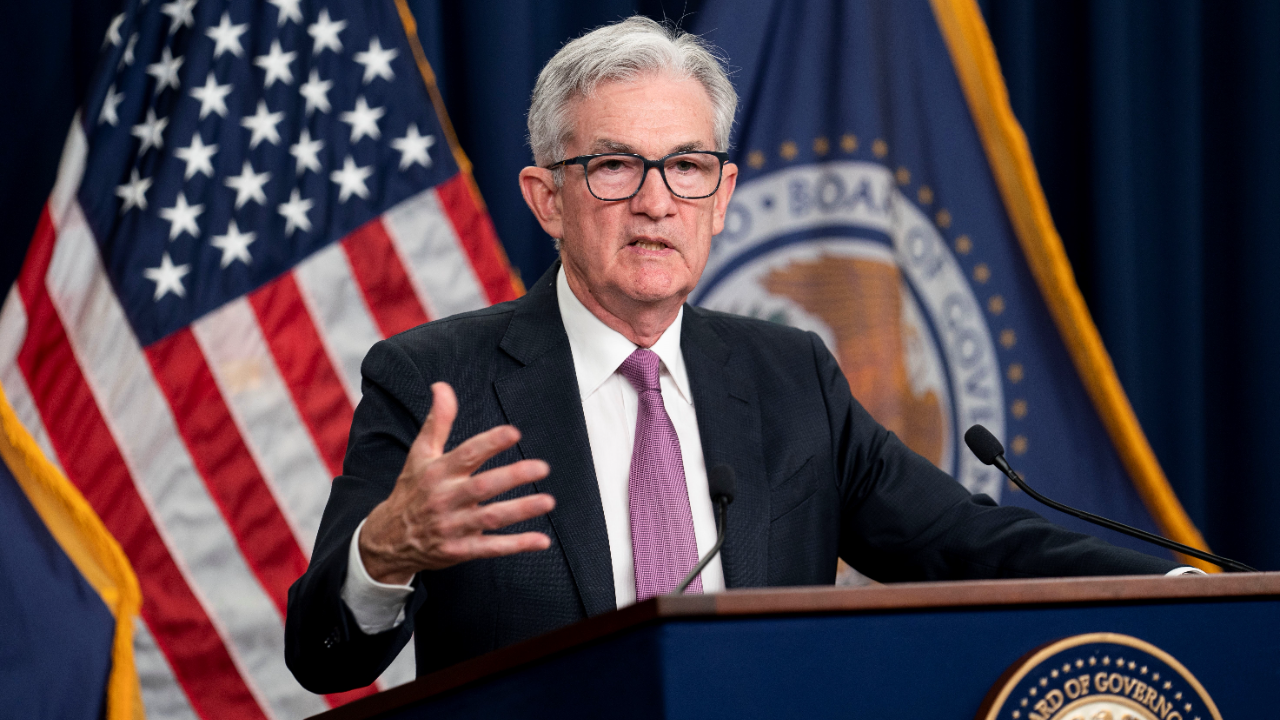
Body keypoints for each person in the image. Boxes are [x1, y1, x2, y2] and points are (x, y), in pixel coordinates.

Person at [284, 16, 1185, 693]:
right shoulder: (435, 382)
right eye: (613, 166)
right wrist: (384, 553)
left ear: (722, 197)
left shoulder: (791, 376)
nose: (655, 201)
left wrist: (1183, 589)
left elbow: (962, 543)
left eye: (687, 166)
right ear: (546, 198)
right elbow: (320, 657)